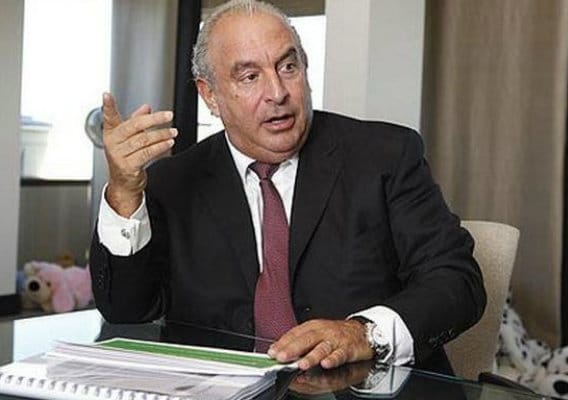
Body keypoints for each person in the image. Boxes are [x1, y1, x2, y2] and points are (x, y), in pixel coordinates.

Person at [90, 0, 486, 373]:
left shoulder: (386, 156)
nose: (278, 93)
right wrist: (124, 193)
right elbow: (126, 310)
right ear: (210, 94)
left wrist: (364, 334)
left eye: (288, 67)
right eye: (250, 77)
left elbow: (457, 280)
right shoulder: (174, 181)